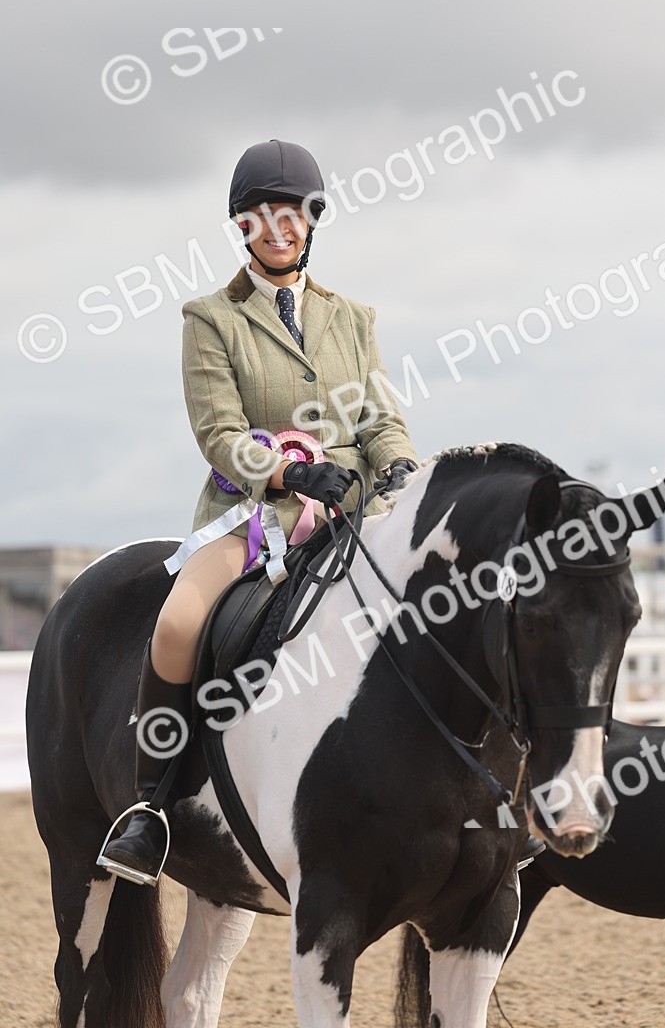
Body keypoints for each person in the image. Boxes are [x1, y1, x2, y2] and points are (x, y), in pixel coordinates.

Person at [99, 140, 418, 884]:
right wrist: (291, 470)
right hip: (250, 518)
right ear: (241, 225)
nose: (279, 227)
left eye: (294, 213)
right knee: (178, 623)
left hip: (351, 515)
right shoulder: (210, 318)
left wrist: (398, 463)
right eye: (261, 215)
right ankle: (151, 806)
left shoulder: (352, 318)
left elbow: (379, 417)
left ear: (313, 221)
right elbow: (217, 433)